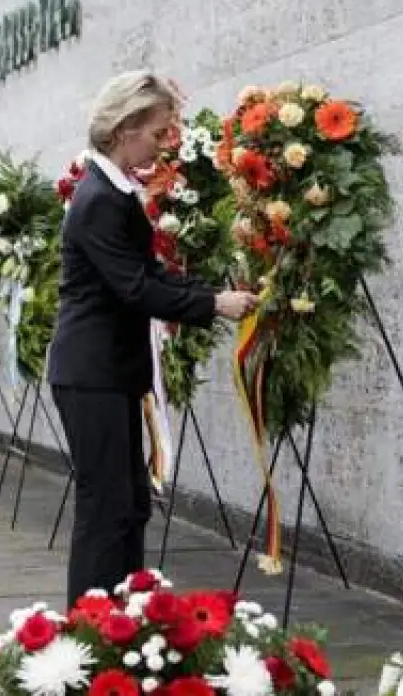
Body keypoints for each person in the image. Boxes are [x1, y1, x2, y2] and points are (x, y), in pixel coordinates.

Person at [47, 71, 259, 606]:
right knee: (106, 509)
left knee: (129, 505)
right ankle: (92, 628)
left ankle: (121, 616)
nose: (165, 143)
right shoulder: (98, 198)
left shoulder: (113, 192)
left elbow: (150, 274)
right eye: (158, 131)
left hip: (109, 372)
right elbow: (136, 288)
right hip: (91, 375)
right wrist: (214, 304)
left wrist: (211, 292)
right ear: (124, 128)